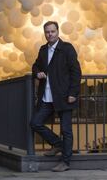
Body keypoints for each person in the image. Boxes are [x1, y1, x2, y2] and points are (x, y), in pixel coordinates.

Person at [30, 21, 82, 172]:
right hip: (47, 97)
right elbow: (35, 66)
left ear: (58, 32)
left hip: (64, 96)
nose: (50, 34)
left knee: (66, 130)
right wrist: (37, 73)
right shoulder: (42, 49)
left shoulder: (67, 48)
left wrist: (73, 93)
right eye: (47, 32)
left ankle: (65, 162)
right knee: (35, 123)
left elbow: (76, 72)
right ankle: (58, 144)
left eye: (52, 31)